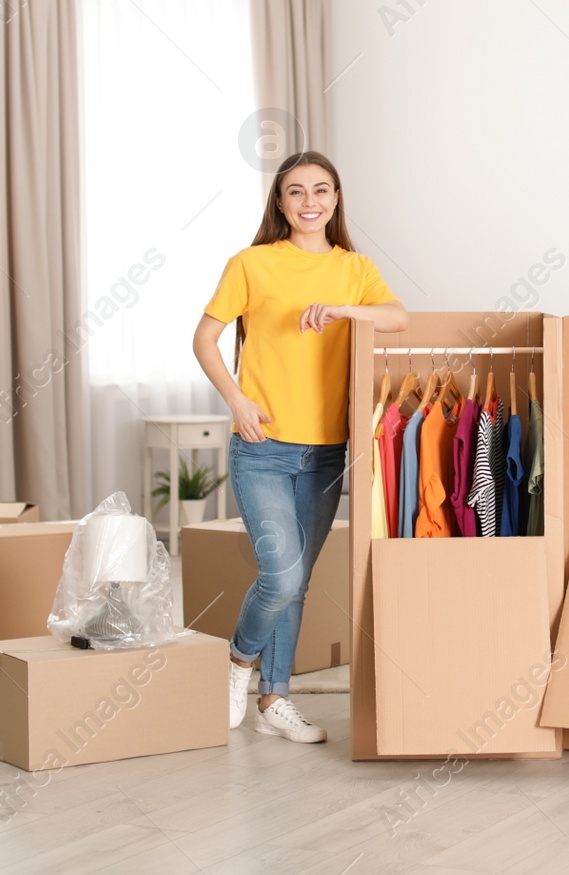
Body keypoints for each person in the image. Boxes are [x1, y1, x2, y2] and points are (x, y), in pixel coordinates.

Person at [193, 150, 408, 743]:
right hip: (262, 446)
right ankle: (238, 662)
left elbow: (397, 317)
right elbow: (205, 338)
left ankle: (274, 701)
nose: (310, 202)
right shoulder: (252, 263)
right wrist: (236, 400)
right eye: (296, 192)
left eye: (321, 190)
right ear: (280, 202)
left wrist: (343, 309)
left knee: (298, 583)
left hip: (326, 452)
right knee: (281, 576)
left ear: (336, 199)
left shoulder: (353, 268)